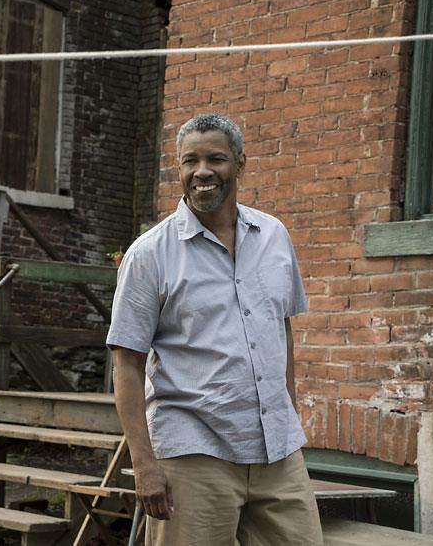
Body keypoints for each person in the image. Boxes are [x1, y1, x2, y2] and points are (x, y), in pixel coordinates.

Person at [107, 114, 323, 545]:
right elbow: (126, 364)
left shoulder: (274, 236)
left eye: (215, 159)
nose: (202, 171)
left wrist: (288, 414)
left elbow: (282, 331)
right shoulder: (150, 255)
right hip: (193, 454)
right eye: (190, 161)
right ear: (179, 169)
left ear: (240, 164)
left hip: (276, 454)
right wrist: (145, 464)